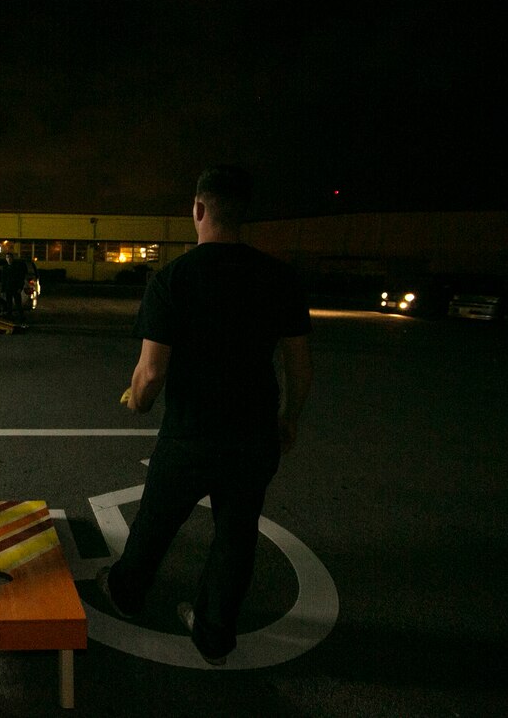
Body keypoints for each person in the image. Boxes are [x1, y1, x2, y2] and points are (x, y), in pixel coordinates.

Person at [96, 165, 313, 666]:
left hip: (191, 432)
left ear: (198, 209)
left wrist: (140, 401)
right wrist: (289, 417)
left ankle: (126, 594)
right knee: (236, 534)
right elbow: (300, 366)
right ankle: (214, 631)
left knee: (156, 519)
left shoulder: (174, 277)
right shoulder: (278, 277)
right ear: (242, 215)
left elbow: (149, 373)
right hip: (254, 430)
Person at [1, 251, 28, 323]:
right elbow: (3, 279)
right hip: (8, 288)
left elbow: (21, 278)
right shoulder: (5, 267)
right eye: (7, 257)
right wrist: (3, 290)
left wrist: (20, 287)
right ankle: (9, 318)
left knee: (18, 304)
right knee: (8, 304)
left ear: (12, 258)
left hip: (16, 288)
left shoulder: (17, 267)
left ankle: (21, 318)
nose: (8, 259)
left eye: (10, 257)